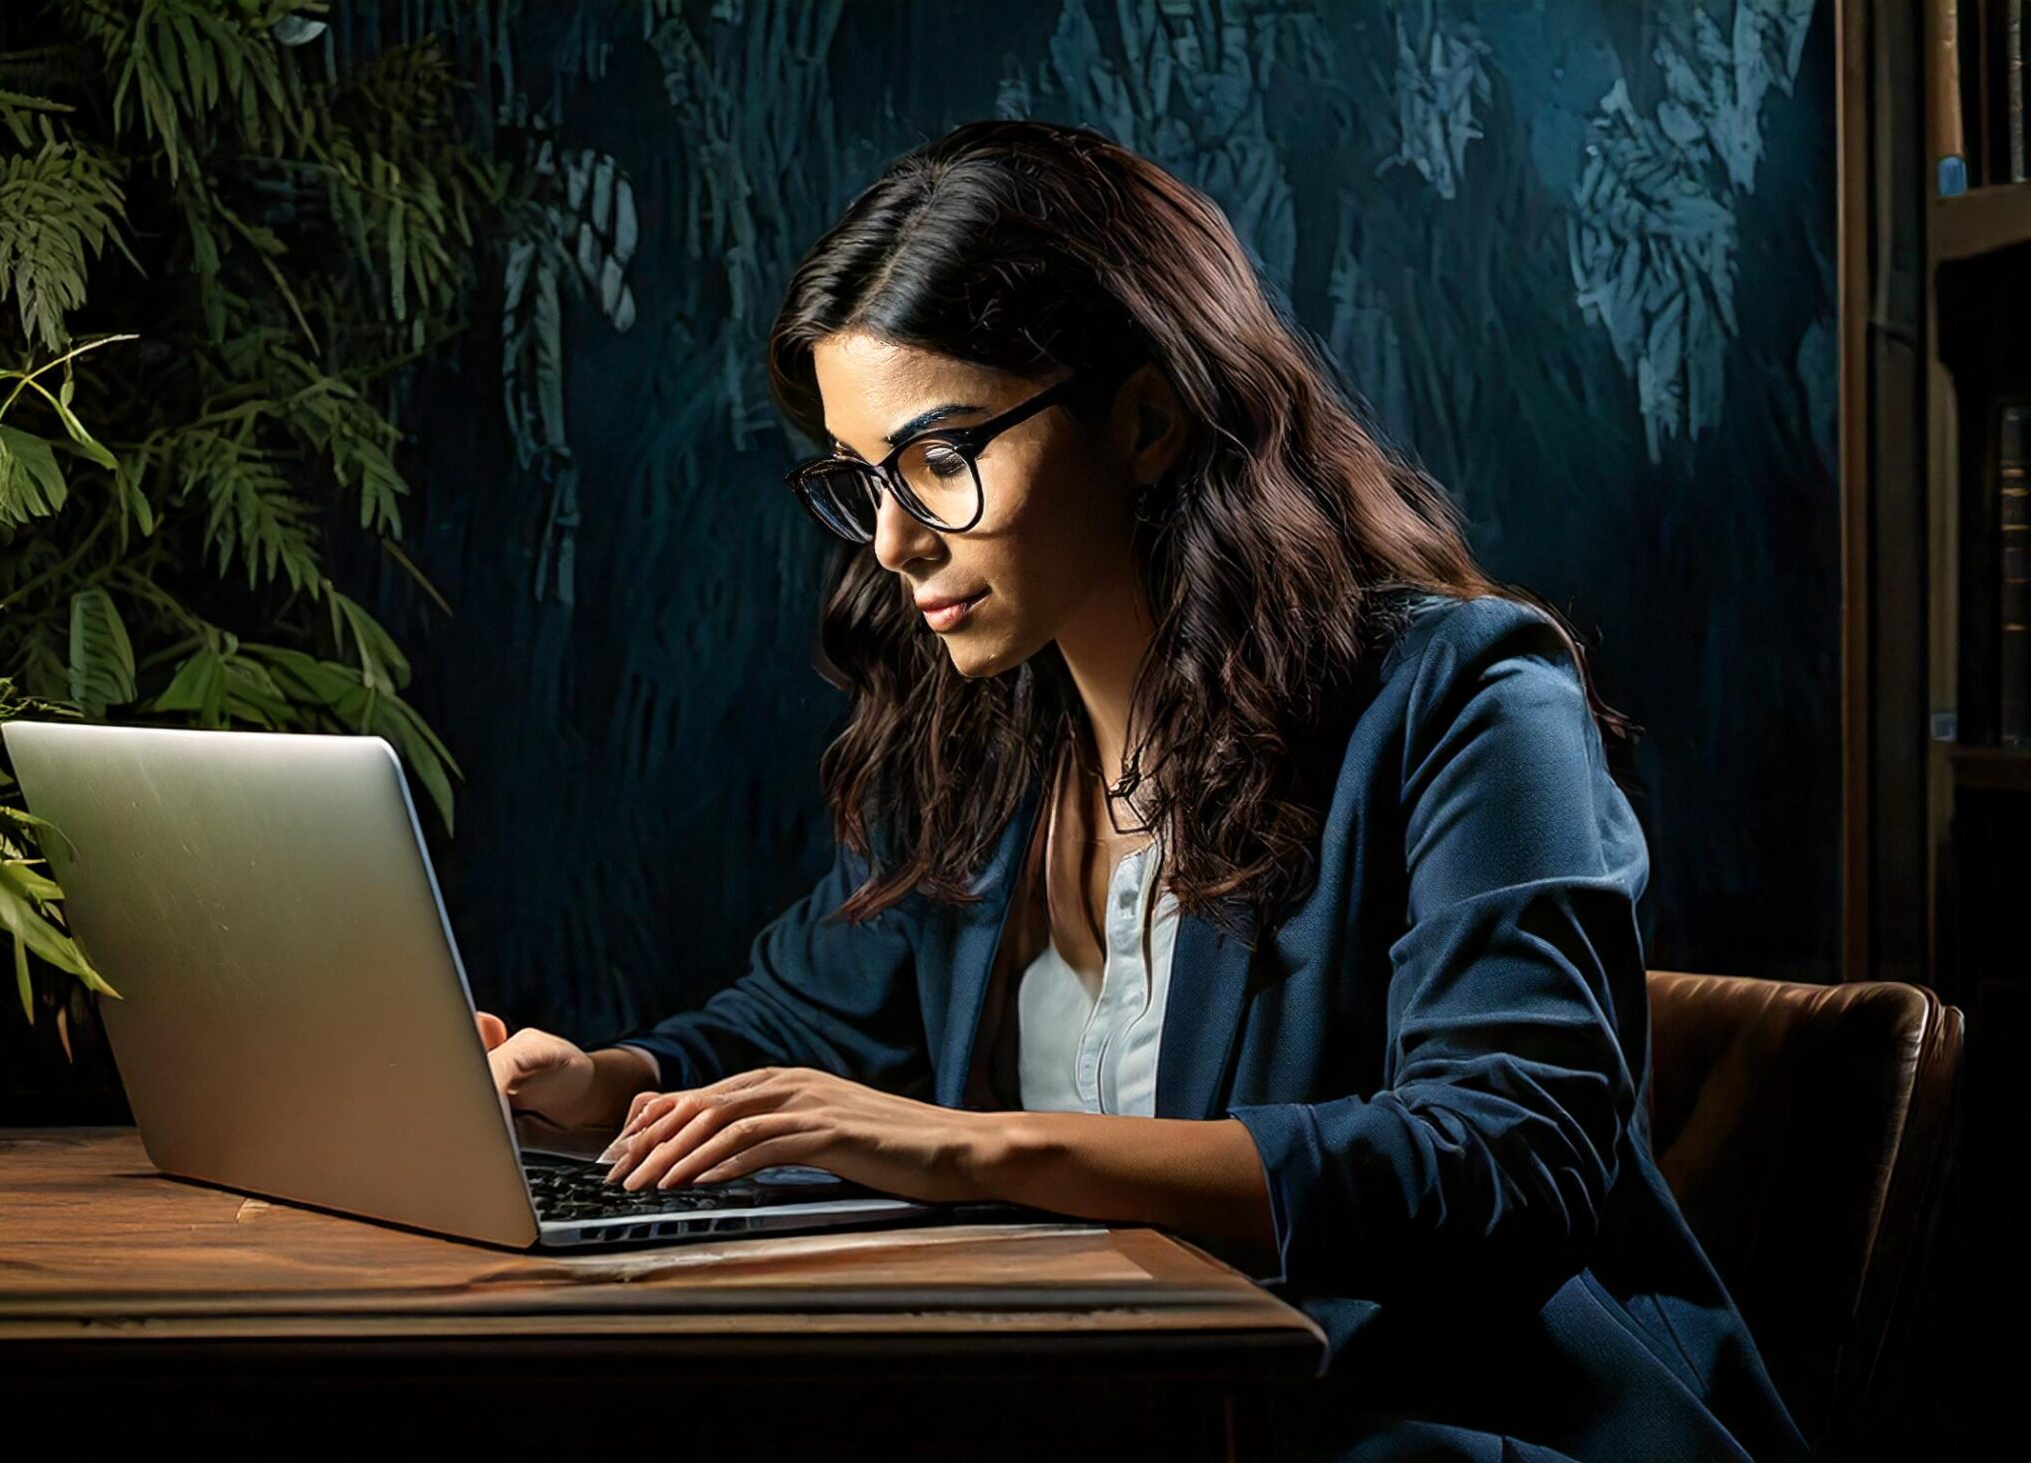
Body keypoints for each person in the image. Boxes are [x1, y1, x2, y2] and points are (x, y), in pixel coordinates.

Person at [474, 118, 1808, 1462]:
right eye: (863, 475)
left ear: (1147, 417)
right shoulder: (983, 746)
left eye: (940, 458)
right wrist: (608, 1087)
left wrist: (981, 1150)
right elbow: (805, 1019)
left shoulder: (1466, 698)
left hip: (1435, 1430)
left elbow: (1512, 1152)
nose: (891, 540)